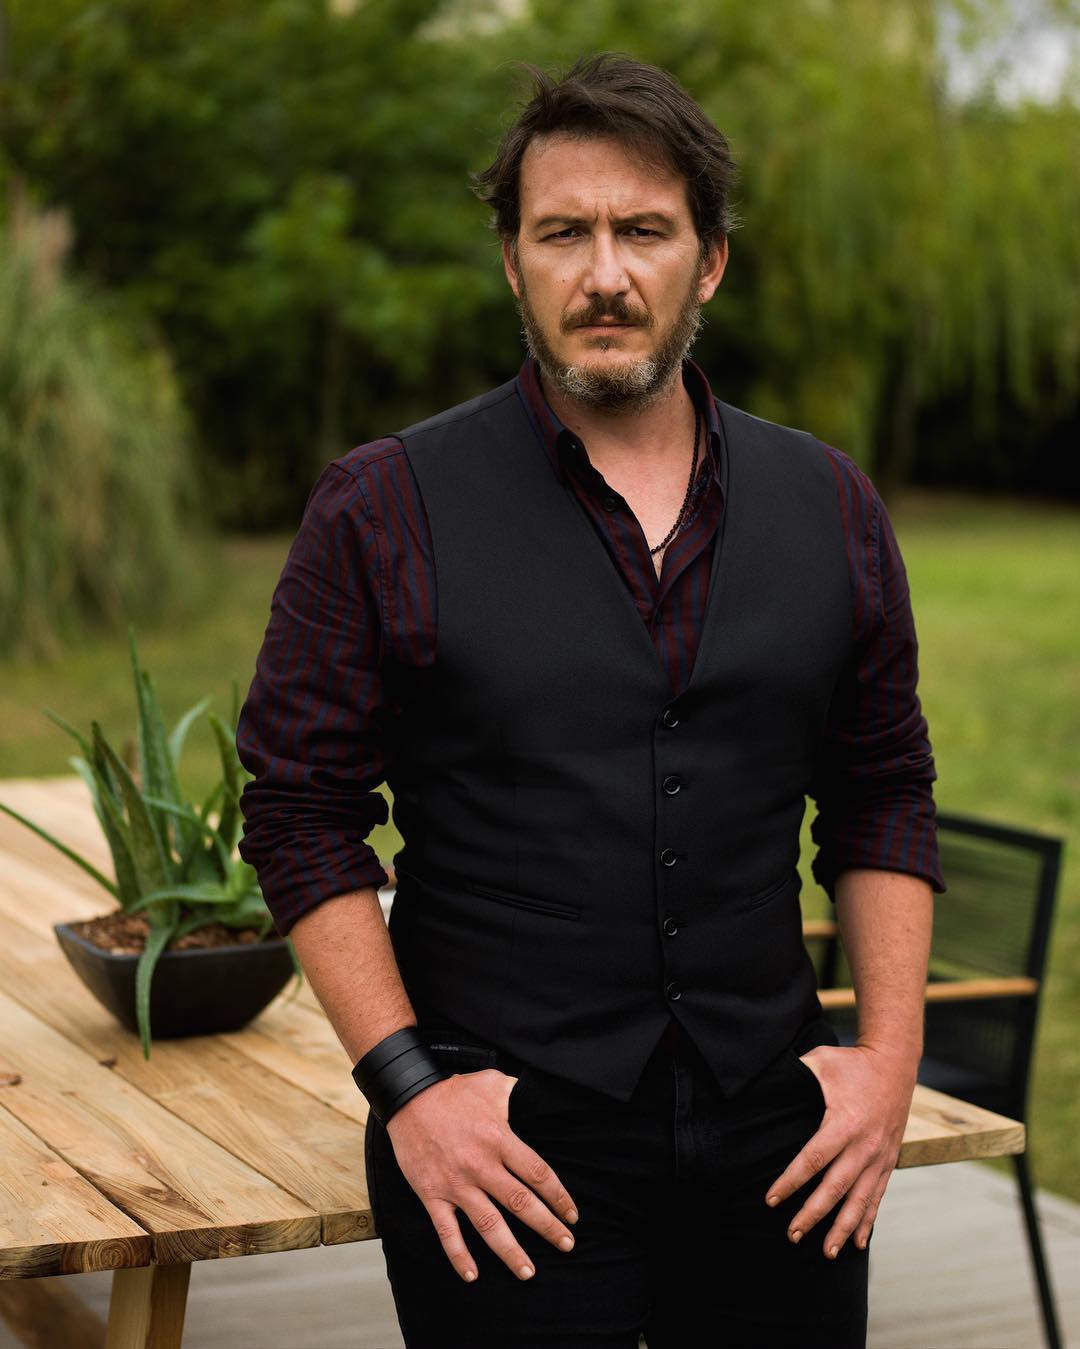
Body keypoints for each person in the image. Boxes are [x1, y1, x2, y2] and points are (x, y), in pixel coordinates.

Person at [236, 53, 945, 1349]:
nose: (604, 274)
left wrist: (889, 1063)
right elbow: (299, 810)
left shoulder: (833, 505)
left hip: (781, 1143)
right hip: (501, 1144)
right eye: (563, 232)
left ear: (709, 261)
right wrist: (409, 1089)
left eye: (644, 231)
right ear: (513, 262)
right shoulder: (381, 507)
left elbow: (884, 789)